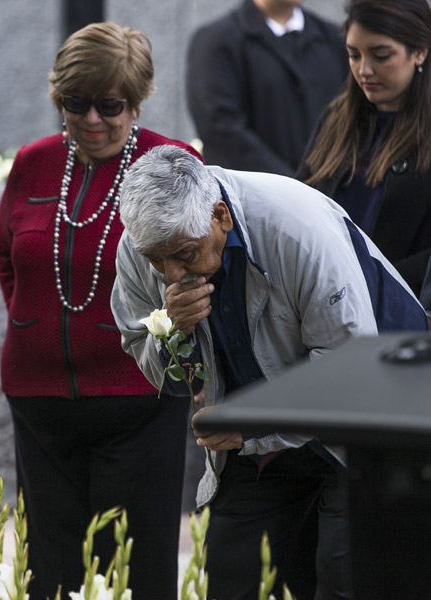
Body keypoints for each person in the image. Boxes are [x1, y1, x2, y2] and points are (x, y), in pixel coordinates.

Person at [111, 145, 428, 600]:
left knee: (347, 582)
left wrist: (252, 428)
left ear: (220, 216)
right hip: (254, 436)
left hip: (368, 420)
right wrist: (172, 330)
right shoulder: (144, 248)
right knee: (233, 580)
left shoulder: (294, 227)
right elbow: (157, 366)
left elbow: (347, 368)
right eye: (156, 260)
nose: (170, 273)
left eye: (183, 254)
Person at [0, 23, 199, 600]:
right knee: (51, 574)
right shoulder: (33, 163)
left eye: (110, 105)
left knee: (134, 570)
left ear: (137, 100)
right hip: (39, 402)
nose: (91, 120)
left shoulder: (171, 164)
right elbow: (6, 252)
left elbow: (200, 268)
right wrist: (28, 324)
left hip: (139, 402)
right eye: (74, 104)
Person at [298, 0, 431, 296]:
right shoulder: (336, 117)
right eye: (353, 55)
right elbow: (299, 201)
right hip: (321, 302)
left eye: (382, 56)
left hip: (399, 315)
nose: (364, 70)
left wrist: (373, 281)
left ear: (420, 52)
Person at [186, 0, 349, 176]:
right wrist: (290, 185)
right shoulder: (217, 40)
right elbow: (220, 127)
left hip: (329, 191)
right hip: (253, 194)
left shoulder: (334, 38)